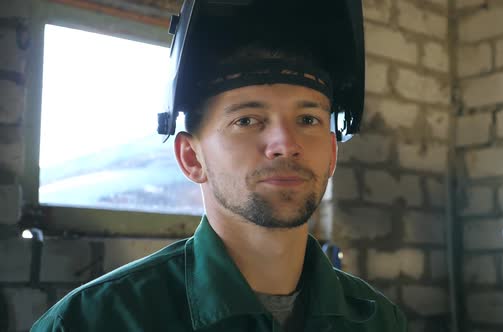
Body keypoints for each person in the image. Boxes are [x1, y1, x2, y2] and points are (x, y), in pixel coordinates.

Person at [32, 0, 407, 331]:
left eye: (307, 120)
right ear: (192, 158)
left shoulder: (377, 321)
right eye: (247, 120)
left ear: (332, 154)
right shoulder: (94, 321)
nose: (286, 145)